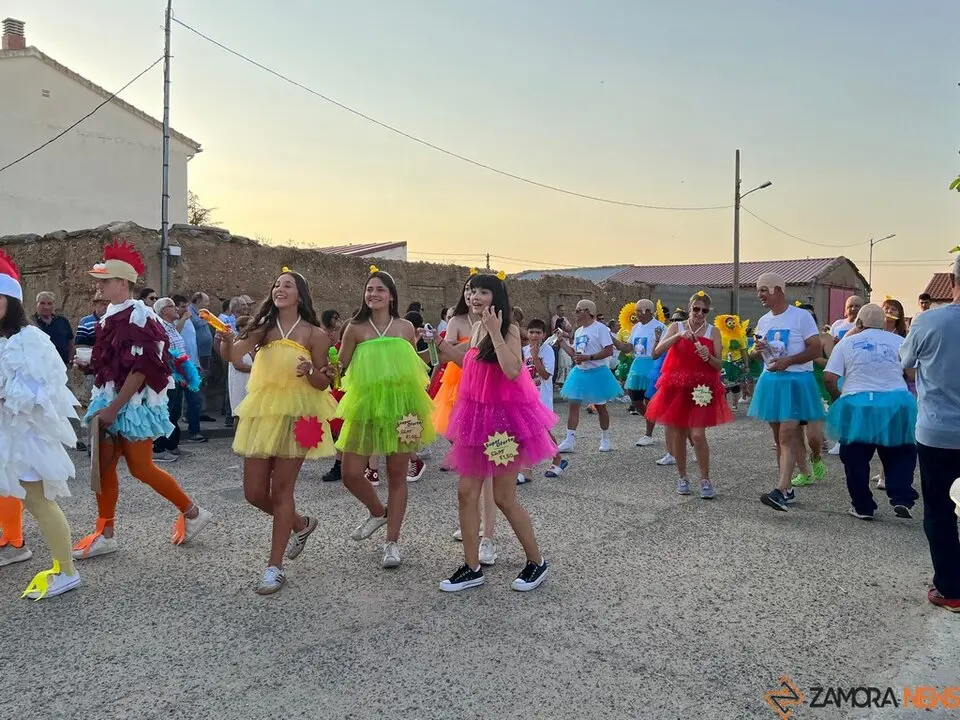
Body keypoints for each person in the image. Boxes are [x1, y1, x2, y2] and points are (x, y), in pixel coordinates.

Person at [72, 240, 212, 561]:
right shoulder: (110, 314)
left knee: (141, 468)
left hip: (132, 406)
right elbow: (117, 361)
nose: (100, 285)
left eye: (105, 280)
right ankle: (105, 534)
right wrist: (90, 364)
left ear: (123, 283)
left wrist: (112, 408)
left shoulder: (138, 316)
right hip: (110, 399)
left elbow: (142, 368)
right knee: (103, 470)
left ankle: (192, 512)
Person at [433, 272, 552, 593]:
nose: (474, 296)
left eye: (482, 292)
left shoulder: (509, 328)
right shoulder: (473, 327)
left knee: (503, 498)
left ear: (496, 297)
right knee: (466, 493)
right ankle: (472, 567)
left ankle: (536, 562)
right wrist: (441, 344)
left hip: (503, 427)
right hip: (475, 420)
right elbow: (468, 362)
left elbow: (512, 369)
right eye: (471, 291)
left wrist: (494, 332)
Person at [221, 267, 337, 594]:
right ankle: (300, 524)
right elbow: (233, 355)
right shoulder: (263, 328)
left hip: (303, 414)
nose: (279, 289)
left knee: (282, 491)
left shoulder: (316, 334)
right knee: (254, 493)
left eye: (287, 285)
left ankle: (275, 567)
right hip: (263, 412)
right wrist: (226, 341)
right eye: (276, 285)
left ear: (300, 294)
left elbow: (322, 382)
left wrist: (311, 370)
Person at [335, 266, 435, 569]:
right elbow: (340, 367)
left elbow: (414, 363)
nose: (373, 294)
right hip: (365, 407)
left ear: (391, 295)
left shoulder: (405, 327)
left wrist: (434, 346)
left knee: (396, 475)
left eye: (379, 289)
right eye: (369, 289)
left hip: (404, 407)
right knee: (351, 473)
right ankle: (378, 512)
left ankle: (392, 542)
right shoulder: (354, 328)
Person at [0, 251, 82, 598]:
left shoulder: (28, 340)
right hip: (9, 434)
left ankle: (66, 571)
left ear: (12, 300)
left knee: (38, 502)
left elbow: (39, 390)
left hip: (25, 438)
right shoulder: (6, 339)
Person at [900, 254, 960, 612]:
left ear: (952, 282)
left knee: (939, 508)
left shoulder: (929, 321)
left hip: (939, 430)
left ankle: (951, 589)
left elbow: (905, 361)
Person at [823, 304, 918, 521]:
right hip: (896, 402)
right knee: (901, 451)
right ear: (884, 323)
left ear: (858, 323)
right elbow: (911, 375)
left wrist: (838, 397)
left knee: (855, 457)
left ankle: (863, 506)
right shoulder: (900, 341)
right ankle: (901, 497)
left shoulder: (847, 343)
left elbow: (829, 377)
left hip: (858, 403)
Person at [748, 272, 824, 512]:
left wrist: (789, 361)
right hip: (771, 381)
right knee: (778, 436)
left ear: (778, 290)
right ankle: (787, 487)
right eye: (758, 290)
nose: (759, 294)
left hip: (796, 381)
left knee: (788, 433)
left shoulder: (801, 317)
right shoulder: (763, 321)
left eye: (763, 289)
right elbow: (756, 353)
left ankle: (780, 490)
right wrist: (757, 350)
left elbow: (815, 350)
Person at [646, 291, 732, 498]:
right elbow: (656, 352)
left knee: (697, 435)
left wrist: (708, 356)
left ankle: (705, 478)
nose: (700, 313)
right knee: (678, 434)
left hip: (702, 388)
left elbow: (719, 364)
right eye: (696, 309)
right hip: (677, 387)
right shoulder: (677, 326)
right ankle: (682, 476)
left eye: (704, 310)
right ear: (689, 307)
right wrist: (677, 336)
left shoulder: (714, 331)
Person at [556, 299, 621, 453]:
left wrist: (589, 358)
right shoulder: (579, 331)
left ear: (588, 311)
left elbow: (608, 350)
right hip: (580, 372)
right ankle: (569, 440)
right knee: (573, 404)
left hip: (597, 372)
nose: (576, 313)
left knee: (600, 406)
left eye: (579, 310)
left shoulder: (600, 329)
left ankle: (605, 438)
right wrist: (562, 342)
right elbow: (574, 353)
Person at [152, 297, 202, 463]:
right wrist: (178, 374)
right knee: (166, 411)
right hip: (170, 376)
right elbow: (165, 354)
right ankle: (158, 448)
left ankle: (172, 445)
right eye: (172, 306)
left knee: (175, 412)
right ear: (163, 311)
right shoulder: (160, 327)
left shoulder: (171, 327)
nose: (176, 309)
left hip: (178, 374)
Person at [517, 318, 567, 483]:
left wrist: (535, 356)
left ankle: (557, 459)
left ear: (544, 334)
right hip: (526, 398)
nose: (534, 335)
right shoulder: (523, 350)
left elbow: (545, 375)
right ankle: (526, 470)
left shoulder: (548, 350)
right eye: (531, 332)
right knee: (526, 434)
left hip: (542, 398)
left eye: (538, 332)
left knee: (543, 432)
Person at [790, 303, 828, 487]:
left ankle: (816, 456)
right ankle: (804, 472)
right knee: (795, 432)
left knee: (813, 436)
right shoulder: (792, 338)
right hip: (795, 387)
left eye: (810, 317)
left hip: (816, 387)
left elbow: (831, 363)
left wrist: (811, 355)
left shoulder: (824, 338)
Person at [620, 300, 666, 447]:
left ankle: (648, 434)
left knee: (649, 399)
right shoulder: (636, 328)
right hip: (638, 364)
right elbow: (629, 347)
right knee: (633, 396)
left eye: (639, 311)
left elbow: (665, 349)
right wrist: (613, 340)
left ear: (648, 311)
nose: (637, 314)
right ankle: (651, 418)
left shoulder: (660, 327)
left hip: (653, 364)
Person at [174, 293, 206, 443]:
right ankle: (173, 437)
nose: (186, 309)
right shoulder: (174, 321)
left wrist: (198, 364)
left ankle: (195, 431)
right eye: (182, 306)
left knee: (194, 400)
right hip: (179, 367)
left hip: (192, 365)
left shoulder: (189, 321)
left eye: (186, 306)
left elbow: (192, 344)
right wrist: (182, 318)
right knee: (175, 403)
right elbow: (175, 334)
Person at [320, 308, 345, 483]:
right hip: (339, 388)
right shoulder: (330, 341)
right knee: (341, 429)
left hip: (349, 389)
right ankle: (339, 465)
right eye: (335, 319)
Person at [33, 291, 74, 366]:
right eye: (42, 303)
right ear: (36, 304)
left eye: (49, 303)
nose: (46, 307)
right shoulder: (30, 323)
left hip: (62, 367)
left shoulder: (62, 321)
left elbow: (70, 342)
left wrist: (70, 360)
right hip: (38, 368)